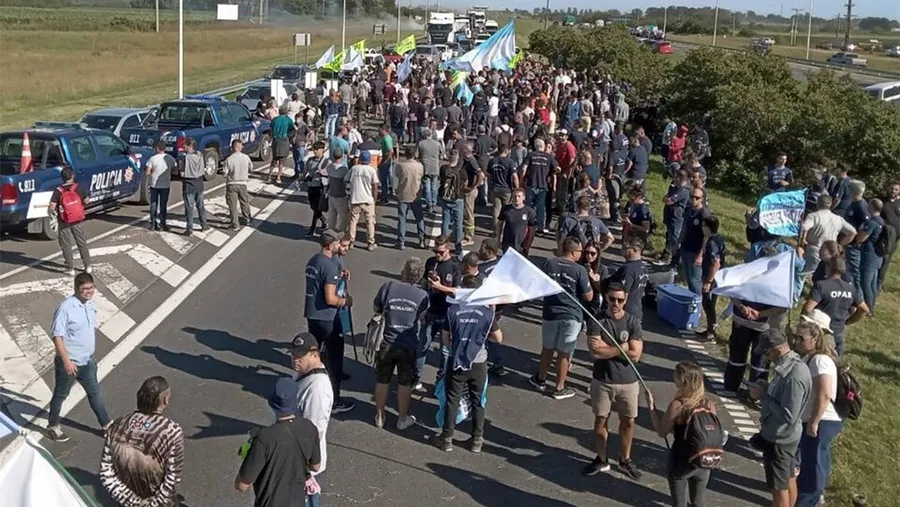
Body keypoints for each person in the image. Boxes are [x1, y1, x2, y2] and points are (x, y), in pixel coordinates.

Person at [583, 282, 644, 480]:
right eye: (611, 299)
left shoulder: (633, 322)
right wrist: (622, 347)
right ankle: (601, 459)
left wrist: (608, 347)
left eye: (620, 300)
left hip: (628, 382)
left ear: (625, 300)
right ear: (606, 298)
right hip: (602, 380)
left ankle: (625, 460)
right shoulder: (597, 320)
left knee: (628, 421)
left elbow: (636, 356)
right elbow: (595, 352)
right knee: (601, 420)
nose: (615, 303)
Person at [438, 275, 503, 453]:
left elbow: (445, 338)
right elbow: (499, 338)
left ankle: (447, 439)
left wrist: (454, 348)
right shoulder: (487, 313)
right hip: (479, 361)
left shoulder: (452, 311)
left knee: (452, 399)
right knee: (478, 400)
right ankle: (476, 440)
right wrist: (483, 336)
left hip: (457, 360)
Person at [748, 328, 812, 507]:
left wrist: (764, 397)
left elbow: (789, 415)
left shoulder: (793, 376)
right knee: (788, 477)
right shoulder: (790, 366)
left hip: (780, 438)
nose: (765, 357)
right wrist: (768, 387)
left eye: (767, 353)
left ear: (777, 349)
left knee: (778, 488)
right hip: (786, 436)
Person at [235, 377, 321, 507]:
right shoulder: (309, 428)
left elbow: (241, 485)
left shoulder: (264, 438)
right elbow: (315, 466)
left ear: (272, 403)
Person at [100, 376, 184, 507]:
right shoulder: (171, 432)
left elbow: (106, 473)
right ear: (166, 400)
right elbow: (172, 480)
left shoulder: (116, 425)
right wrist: (152, 504)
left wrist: (132, 501)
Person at [46, 273, 110, 442]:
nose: (89, 291)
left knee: (94, 394)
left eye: (91, 288)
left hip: (87, 361)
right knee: (60, 395)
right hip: (70, 364)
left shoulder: (90, 304)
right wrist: (67, 361)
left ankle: (106, 425)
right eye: (84, 289)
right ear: (76, 289)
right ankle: (52, 426)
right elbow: (57, 336)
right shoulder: (65, 308)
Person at [529, 237, 593, 400]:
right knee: (565, 353)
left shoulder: (549, 263)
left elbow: (539, 284)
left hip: (551, 312)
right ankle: (559, 387)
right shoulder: (579, 270)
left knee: (547, 348)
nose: (581, 254)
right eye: (580, 251)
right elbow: (588, 296)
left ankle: (541, 379)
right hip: (572, 315)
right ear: (573, 251)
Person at [645, 362, 714, 507]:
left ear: (683, 381)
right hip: (703, 460)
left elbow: (661, 431)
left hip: (681, 461)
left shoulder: (678, 405)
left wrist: (651, 408)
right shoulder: (709, 404)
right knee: (698, 501)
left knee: (679, 503)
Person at [791, 320, 843, 507]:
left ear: (815, 339)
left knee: (813, 467)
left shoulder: (820, 360)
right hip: (817, 419)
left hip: (822, 419)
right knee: (814, 462)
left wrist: (814, 421)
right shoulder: (810, 358)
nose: (797, 341)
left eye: (801, 338)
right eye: (795, 337)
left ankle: (807, 501)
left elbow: (825, 393)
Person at [373, 258, 430, 430]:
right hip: (408, 344)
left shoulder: (388, 287)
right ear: (420, 276)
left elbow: (376, 308)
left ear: (403, 271)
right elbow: (423, 318)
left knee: (382, 380)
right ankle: (402, 419)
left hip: (387, 341)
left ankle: (380, 416)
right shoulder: (423, 295)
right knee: (405, 383)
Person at [303, 232, 354, 413]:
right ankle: (335, 400)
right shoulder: (330, 266)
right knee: (335, 358)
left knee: (316, 355)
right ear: (331, 245)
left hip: (312, 315)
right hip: (328, 318)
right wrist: (345, 302)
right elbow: (331, 298)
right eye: (338, 243)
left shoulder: (313, 261)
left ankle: (312, 390)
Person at [289, 333, 333, 507]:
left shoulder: (317, 389)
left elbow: (314, 433)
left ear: (314, 355)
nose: (295, 359)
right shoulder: (303, 373)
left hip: (303, 466)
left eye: (300, 355)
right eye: (293, 354)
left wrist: (303, 467)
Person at [418, 235, 461, 388]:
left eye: (441, 252)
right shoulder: (431, 262)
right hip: (430, 311)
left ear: (448, 249)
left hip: (447, 315)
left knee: (444, 351)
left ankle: (440, 382)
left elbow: (457, 292)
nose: (437, 254)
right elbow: (424, 284)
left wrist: (439, 287)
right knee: (422, 346)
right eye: (435, 251)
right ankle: (416, 378)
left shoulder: (455, 267)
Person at [799, 194, 856, 278]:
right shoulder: (838, 219)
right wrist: (840, 244)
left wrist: (803, 239)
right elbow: (852, 232)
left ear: (818, 203)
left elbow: (804, 227)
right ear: (830, 204)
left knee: (800, 274)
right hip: (829, 254)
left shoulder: (814, 216)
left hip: (814, 250)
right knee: (822, 278)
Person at [49, 167, 92, 275]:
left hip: (64, 221)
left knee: (66, 244)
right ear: (72, 176)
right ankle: (87, 266)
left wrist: (53, 211)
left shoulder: (58, 191)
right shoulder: (78, 187)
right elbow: (86, 201)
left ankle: (70, 268)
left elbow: (52, 207)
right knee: (81, 242)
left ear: (62, 178)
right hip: (77, 219)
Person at [520, 138, 558, 235]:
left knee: (528, 206)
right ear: (543, 146)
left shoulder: (531, 155)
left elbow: (524, 168)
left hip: (531, 184)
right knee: (541, 207)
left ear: (535, 146)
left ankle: (526, 224)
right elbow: (557, 168)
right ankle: (540, 227)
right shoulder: (548, 157)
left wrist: (522, 180)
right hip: (542, 185)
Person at [679, 187, 711, 296]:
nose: (694, 199)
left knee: (695, 280)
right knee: (688, 277)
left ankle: (698, 301)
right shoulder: (688, 209)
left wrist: (701, 255)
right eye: (692, 197)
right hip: (685, 247)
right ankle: (691, 299)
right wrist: (679, 242)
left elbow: (706, 236)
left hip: (696, 251)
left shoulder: (704, 214)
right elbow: (684, 227)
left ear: (702, 199)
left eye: (697, 198)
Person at [345, 150, 379, 251]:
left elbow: (346, 179)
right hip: (368, 200)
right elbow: (375, 186)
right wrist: (374, 199)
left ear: (360, 159)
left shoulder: (354, 169)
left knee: (353, 221)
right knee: (370, 222)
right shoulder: (371, 170)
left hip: (355, 199)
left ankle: (351, 241)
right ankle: (370, 242)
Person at [698, 215, 725, 341]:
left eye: (703, 226)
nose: (702, 228)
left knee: (708, 304)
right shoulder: (718, 239)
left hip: (712, 278)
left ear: (707, 227)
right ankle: (710, 330)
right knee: (710, 304)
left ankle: (711, 332)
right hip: (716, 277)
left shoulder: (712, 243)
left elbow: (716, 263)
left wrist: (708, 281)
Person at [609, 238, 649, 322]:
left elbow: (623, 295)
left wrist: (616, 313)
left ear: (634, 250)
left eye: (625, 247)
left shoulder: (628, 269)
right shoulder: (643, 268)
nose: (622, 249)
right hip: (637, 313)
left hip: (625, 314)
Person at [394, 145, 425, 250]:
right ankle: (421, 239)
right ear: (414, 154)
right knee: (419, 217)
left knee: (402, 218)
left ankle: (401, 241)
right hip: (416, 194)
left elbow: (398, 175)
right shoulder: (419, 166)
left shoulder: (400, 165)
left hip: (403, 194)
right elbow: (421, 176)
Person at [858, 198, 886, 312]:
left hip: (869, 255)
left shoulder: (872, 223)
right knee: (873, 283)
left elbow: (861, 238)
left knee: (865, 283)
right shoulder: (882, 222)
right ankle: (872, 304)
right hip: (878, 256)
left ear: (872, 207)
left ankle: (868, 308)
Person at [488, 144, 518, 238]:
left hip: (495, 188)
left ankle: (496, 231)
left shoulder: (492, 161)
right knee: (508, 210)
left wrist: (490, 186)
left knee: (496, 210)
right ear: (506, 151)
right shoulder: (510, 162)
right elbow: (515, 176)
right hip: (506, 189)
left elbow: (489, 176)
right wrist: (517, 188)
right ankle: (506, 231)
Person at [661, 169, 691, 265]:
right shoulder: (674, 187)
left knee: (675, 239)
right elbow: (665, 198)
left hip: (676, 219)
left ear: (681, 178)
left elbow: (669, 201)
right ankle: (667, 256)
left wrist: (667, 199)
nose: (674, 179)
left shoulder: (684, 191)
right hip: (669, 216)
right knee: (669, 237)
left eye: (676, 177)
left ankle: (676, 261)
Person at [438, 150, 466, 253]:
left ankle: (443, 242)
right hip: (457, 198)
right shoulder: (461, 170)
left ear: (449, 157)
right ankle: (458, 246)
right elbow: (465, 182)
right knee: (458, 222)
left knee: (445, 220)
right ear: (457, 157)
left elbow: (441, 179)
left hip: (445, 197)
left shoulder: (444, 168)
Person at [144, 141, 174, 232]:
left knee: (153, 204)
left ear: (157, 148)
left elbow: (147, 172)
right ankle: (162, 224)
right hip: (165, 185)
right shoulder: (170, 158)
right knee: (163, 205)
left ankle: (153, 224)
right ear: (165, 148)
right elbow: (174, 168)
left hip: (154, 185)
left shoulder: (152, 159)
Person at [224, 139, 253, 230]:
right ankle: (247, 219)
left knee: (232, 205)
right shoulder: (246, 157)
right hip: (243, 183)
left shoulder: (229, 159)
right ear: (239, 147)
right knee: (244, 202)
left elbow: (225, 173)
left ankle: (235, 224)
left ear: (233, 147)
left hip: (231, 183)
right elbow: (251, 169)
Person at [498, 187, 536, 254]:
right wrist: (498, 239)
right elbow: (500, 223)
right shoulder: (506, 209)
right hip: (507, 244)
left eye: (519, 196)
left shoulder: (529, 212)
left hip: (521, 245)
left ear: (524, 197)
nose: (517, 198)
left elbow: (532, 230)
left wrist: (527, 245)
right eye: (515, 196)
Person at [181, 138, 207, 236]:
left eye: (184, 145)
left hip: (189, 185)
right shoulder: (200, 155)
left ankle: (189, 229)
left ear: (189, 146)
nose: (183, 147)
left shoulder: (185, 158)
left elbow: (182, 173)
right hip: (199, 183)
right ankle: (204, 225)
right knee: (200, 206)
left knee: (189, 208)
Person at [460, 143, 485, 246]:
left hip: (470, 191)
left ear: (466, 151)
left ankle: (469, 237)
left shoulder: (472, 161)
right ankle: (465, 233)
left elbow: (481, 175)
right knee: (466, 213)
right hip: (466, 189)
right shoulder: (467, 160)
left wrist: (473, 186)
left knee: (469, 214)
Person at [878, 180, 900, 292]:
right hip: (883, 235)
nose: (893, 191)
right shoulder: (882, 201)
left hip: (895, 237)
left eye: (896, 189)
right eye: (892, 188)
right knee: (882, 258)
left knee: (887, 260)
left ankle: (880, 282)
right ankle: (877, 281)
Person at [324, 144, 350, 235]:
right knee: (343, 216)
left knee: (332, 215)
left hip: (331, 194)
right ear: (342, 156)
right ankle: (340, 233)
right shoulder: (344, 169)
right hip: (341, 195)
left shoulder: (329, 167)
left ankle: (330, 232)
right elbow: (347, 181)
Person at [417, 128, 444, 212]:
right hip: (435, 167)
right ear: (431, 135)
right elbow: (442, 156)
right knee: (434, 187)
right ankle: (434, 203)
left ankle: (429, 204)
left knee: (427, 187)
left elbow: (417, 155)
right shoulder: (437, 144)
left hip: (425, 167)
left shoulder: (421, 143)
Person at [270, 105, 295, 184]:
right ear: (286, 112)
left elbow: (271, 129)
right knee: (282, 160)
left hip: (276, 140)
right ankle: (278, 177)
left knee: (274, 159)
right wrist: (289, 137)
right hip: (284, 140)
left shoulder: (275, 119)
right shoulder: (288, 120)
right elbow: (293, 130)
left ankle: (269, 175)